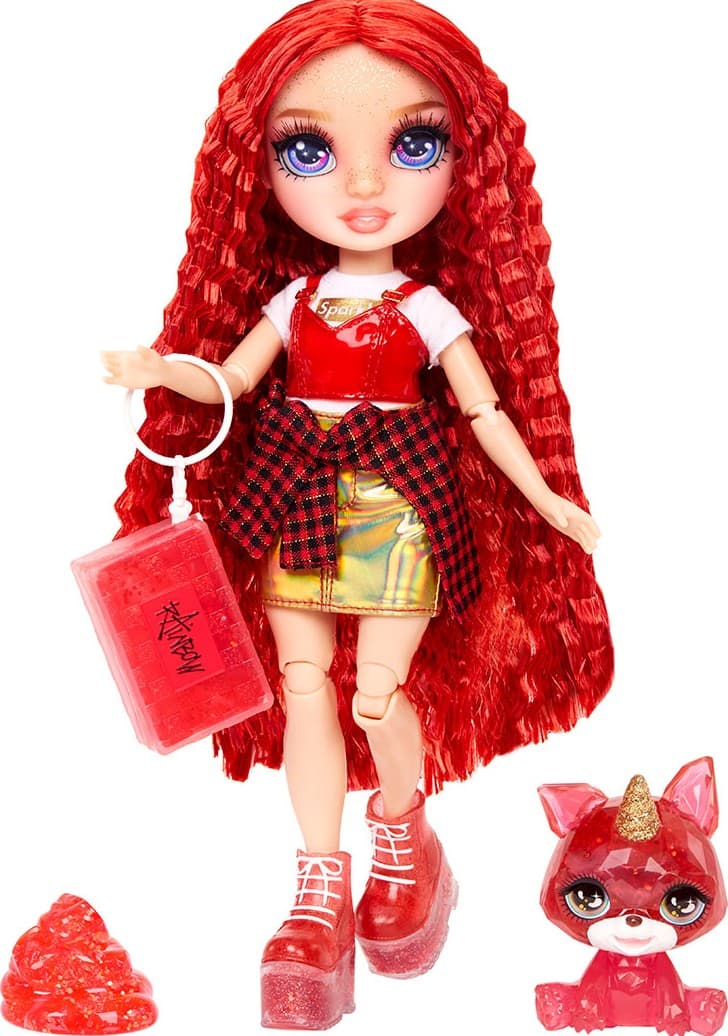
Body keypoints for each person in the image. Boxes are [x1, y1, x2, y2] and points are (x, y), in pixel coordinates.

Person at [102, 0, 613, 1027]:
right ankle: (318, 882)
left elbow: (484, 411)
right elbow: (229, 382)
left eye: (413, 145)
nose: (365, 186)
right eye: (310, 150)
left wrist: (548, 497)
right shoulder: (290, 305)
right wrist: (161, 371)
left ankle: (402, 834)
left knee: (377, 699)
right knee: (303, 693)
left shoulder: (425, 309)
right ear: (259, 169)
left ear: (465, 164)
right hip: (292, 497)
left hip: (396, 509)